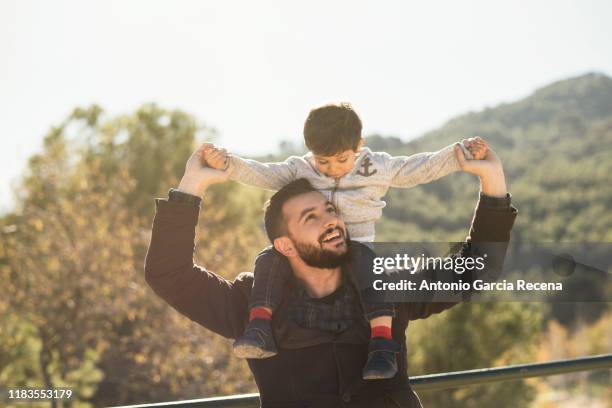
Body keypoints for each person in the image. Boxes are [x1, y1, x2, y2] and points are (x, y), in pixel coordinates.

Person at [145, 141, 517, 408]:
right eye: (312, 218)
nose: (332, 221)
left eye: (328, 210)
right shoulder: (249, 301)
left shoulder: (386, 286)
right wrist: (192, 185)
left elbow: (477, 268)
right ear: (285, 245)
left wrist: (492, 178)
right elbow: (169, 273)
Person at [201, 102, 488, 380]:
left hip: (357, 245)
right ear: (310, 152)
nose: (332, 168)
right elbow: (265, 173)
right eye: (322, 161)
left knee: (373, 276)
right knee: (268, 258)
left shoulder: (377, 166)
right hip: (313, 250)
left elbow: (417, 167)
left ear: (359, 145)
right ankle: (260, 325)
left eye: (342, 159)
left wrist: (457, 154)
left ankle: (382, 344)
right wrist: (228, 163)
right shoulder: (300, 168)